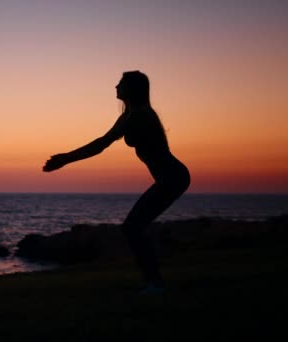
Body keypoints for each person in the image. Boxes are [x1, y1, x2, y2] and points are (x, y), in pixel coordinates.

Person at [43, 71, 190, 293]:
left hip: (173, 177)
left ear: (132, 88)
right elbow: (101, 142)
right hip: (169, 178)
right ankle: (153, 281)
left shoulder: (139, 115)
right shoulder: (129, 115)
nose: (115, 86)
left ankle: (154, 283)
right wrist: (66, 158)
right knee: (133, 228)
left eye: (121, 83)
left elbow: (100, 145)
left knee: (132, 227)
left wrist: (65, 158)